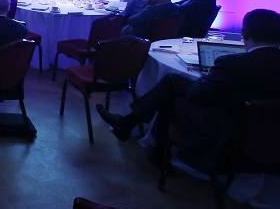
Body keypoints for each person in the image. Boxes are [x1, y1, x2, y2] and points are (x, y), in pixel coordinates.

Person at [97, 9, 280, 170]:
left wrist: (207, 76)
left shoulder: (232, 63)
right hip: (268, 131)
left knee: (170, 95)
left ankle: (153, 148)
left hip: (226, 124)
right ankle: (128, 125)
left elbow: (199, 95)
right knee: (173, 81)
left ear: (245, 34)